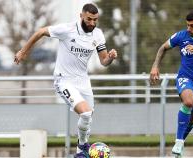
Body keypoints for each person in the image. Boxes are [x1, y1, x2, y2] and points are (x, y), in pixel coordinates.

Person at [14, 3, 117, 158]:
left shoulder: (98, 35)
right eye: (89, 19)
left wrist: (110, 58)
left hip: (83, 81)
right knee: (86, 114)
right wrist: (23, 51)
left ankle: (79, 153)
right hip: (64, 80)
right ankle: (82, 147)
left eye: (95, 20)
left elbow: (103, 61)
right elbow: (41, 31)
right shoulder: (67, 30)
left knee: (88, 118)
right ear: (81, 15)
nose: (92, 23)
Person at [149, 10, 193, 157]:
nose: (189, 29)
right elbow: (163, 47)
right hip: (185, 77)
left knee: (192, 119)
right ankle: (179, 142)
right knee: (188, 101)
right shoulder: (181, 36)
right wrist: (155, 66)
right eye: (187, 25)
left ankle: (177, 150)